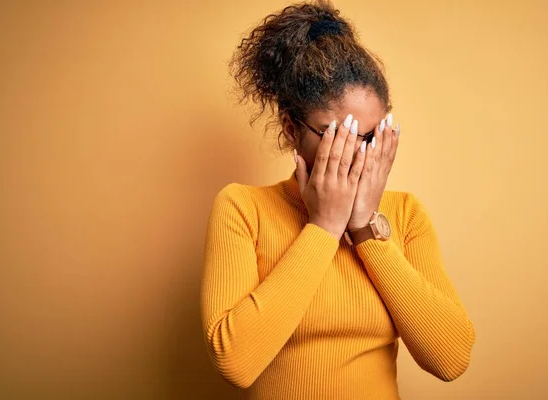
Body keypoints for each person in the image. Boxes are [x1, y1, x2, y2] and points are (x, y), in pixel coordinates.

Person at [200, 1, 475, 398]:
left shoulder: (406, 215)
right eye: (337, 135)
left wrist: (364, 228)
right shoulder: (243, 209)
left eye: (370, 137)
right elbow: (236, 362)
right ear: (292, 129)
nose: (357, 154)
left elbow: (450, 359)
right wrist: (324, 226)